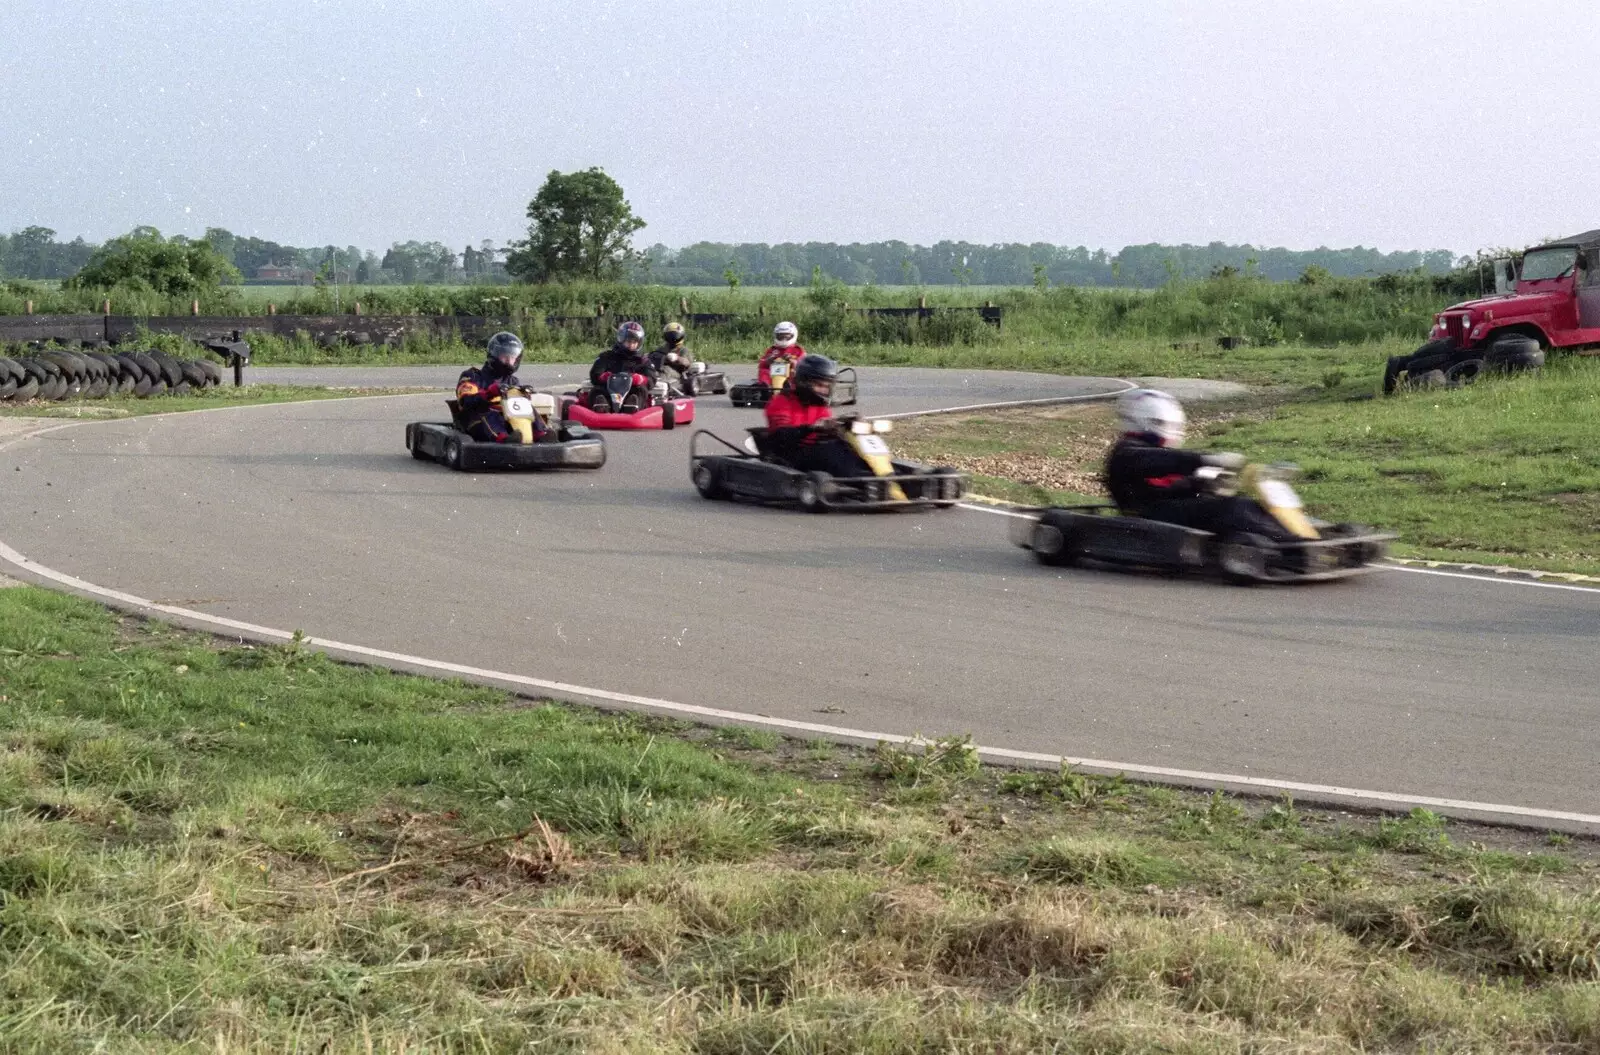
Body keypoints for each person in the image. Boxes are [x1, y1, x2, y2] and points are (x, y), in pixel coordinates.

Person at [1103, 388, 1294, 542]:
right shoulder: (1127, 452)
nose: (1172, 432)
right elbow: (1160, 463)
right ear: (1142, 421)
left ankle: (1291, 534)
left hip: (1168, 508)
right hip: (1148, 514)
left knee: (1247, 504)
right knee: (1234, 508)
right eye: (1163, 424)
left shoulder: (1153, 453)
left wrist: (1204, 484)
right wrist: (1204, 459)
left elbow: (1169, 483)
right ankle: (1290, 542)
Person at [762, 353, 873, 478]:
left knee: (854, 449)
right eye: (820, 385)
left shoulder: (818, 405)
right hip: (791, 455)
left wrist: (845, 425)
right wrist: (812, 428)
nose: (825, 391)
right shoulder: (781, 402)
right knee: (829, 452)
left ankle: (880, 475)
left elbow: (827, 428)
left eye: (827, 386)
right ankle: (862, 480)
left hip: (817, 450)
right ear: (804, 382)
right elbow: (781, 436)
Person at [455, 331, 545, 442]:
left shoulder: (512, 381)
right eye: (505, 357)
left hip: (506, 421)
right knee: (489, 412)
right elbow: (466, 401)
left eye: (512, 357)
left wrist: (525, 396)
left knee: (529, 409)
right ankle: (503, 440)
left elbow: (517, 406)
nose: (509, 361)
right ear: (494, 354)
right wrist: (489, 394)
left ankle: (541, 434)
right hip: (476, 422)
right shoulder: (472, 376)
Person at [589, 320, 657, 407]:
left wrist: (640, 379)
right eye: (629, 341)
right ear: (621, 339)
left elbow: (651, 379)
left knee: (641, 389)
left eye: (634, 342)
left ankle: (632, 406)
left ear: (639, 343)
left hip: (631, 392)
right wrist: (604, 377)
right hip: (609, 392)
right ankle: (601, 406)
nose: (631, 345)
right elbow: (595, 374)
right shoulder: (607, 357)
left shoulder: (643, 361)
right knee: (597, 389)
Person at [647, 321, 696, 394]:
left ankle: (659, 384)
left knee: (666, 370)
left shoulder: (683, 350)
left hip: (675, 372)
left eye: (674, 335)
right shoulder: (662, 348)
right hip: (658, 368)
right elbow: (654, 356)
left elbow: (687, 363)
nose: (672, 338)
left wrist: (677, 358)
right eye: (670, 335)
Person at [756, 321, 804, 389]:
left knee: (794, 372)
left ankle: (790, 385)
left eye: (786, 336)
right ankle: (764, 386)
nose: (783, 339)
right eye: (780, 336)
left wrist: (792, 361)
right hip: (773, 376)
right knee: (764, 370)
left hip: (789, 375)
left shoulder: (798, 350)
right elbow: (761, 364)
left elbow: (803, 365)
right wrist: (768, 361)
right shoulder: (772, 350)